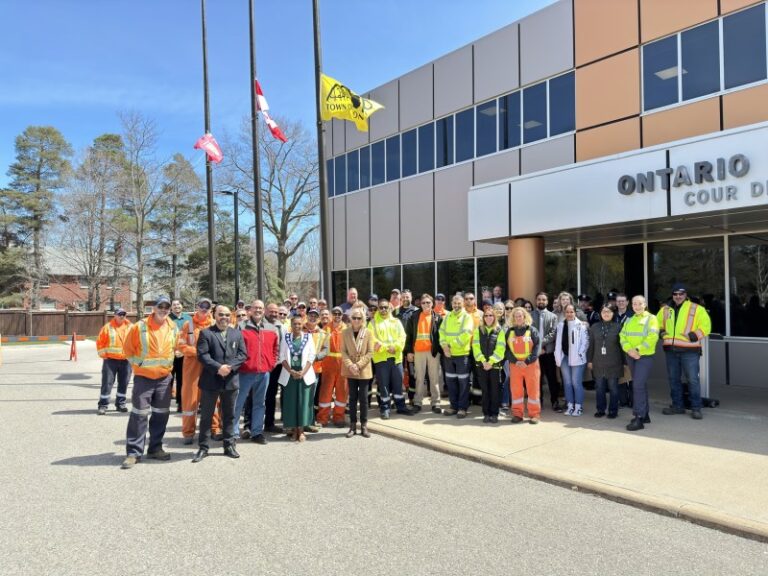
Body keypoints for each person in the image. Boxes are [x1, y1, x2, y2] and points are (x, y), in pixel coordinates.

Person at [121, 296, 179, 469]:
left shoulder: (173, 327)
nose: (163, 309)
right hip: (143, 379)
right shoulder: (140, 327)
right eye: (160, 306)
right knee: (139, 414)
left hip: (164, 379)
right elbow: (127, 349)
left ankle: (155, 448)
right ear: (154, 308)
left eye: (166, 307)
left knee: (161, 414)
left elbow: (176, 348)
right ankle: (133, 452)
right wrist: (138, 365)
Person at [192, 306, 247, 462]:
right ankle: (203, 447)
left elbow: (243, 354)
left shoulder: (236, 333)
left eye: (227, 315)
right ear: (214, 315)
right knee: (207, 417)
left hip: (230, 380)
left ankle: (229, 445)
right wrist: (218, 368)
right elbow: (202, 355)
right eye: (221, 314)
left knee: (229, 415)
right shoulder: (206, 333)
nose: (224, 317)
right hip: (211, 380)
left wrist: (229, 368)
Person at [657, 283, 712, 420]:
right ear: (672, 295)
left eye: (681, 294)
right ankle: (677, 406)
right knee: (674, 379)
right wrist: (661, 332)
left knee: (692, 380)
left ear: (685, 295)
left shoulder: (696, 308)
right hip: (671, 350)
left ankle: (696, 408)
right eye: (675, 294)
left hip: (690, 351)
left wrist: (694, 335)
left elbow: (706, 325)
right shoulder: (665, 310)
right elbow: (655, 324)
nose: (678, 296)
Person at [235, 300, 279, 445]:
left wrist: (271, 364)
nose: (258, 310)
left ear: (264, 310)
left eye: (260, 308)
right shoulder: (241, 326)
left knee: (260, 403)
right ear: (250, 310)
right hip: (245, 372)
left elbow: (275, 349)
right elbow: (235, 349)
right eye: (255, 308)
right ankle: (233, 434)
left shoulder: (272, 328)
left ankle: (257, 432)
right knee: (238, 403)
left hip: (264, 373)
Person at [178, 298, 220, 445]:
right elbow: (181, 345)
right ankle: (188, 432)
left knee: (214, 399)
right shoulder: (187, 324)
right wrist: (199, 353)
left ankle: (215, 429)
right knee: (190, 400)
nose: (204, 308)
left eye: (207, 306)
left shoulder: (215, 323)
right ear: (197, 306)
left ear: (211, 308)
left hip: (211, 366)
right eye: (202, 305)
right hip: (192, 367)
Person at [621, 296, 660, 431]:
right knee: (640, 385)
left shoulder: (652, 318)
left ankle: (638, 418)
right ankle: (645, 414)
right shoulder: (630, 319)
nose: (637, 306)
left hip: (644, 357)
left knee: (637, 385)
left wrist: (637, 349)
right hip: (631, 356)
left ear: (645, 304)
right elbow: (622, 336)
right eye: (634, 304)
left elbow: (653, 336)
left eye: (639, 304)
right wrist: (629, 350)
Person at [370, 299, 412, 418]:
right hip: (381, 359)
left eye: (385, 307)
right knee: (384, 385)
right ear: (378, 309)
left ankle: (401, 407)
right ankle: (385, 408)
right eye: (381, 307)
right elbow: (372, 340)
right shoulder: (373, 323)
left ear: (390, 308)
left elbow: (402, 337)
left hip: (396, 358)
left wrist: (396, 347)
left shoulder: (396, 321)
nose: (383, 310)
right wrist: (387, 348)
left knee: (398, 384)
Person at [278, 316, 317, 442]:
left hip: (304, 375)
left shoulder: (308, 337)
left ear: (302, 324)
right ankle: (294, 430)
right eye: (294, 324)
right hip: (290, 375)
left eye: (299, 324)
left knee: (303, 403)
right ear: (291, 324)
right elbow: (282, 356)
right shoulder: (286, 337)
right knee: (291, 403)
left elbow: (312, 355)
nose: (297, 326)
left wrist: (302, 372)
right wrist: (291, 371)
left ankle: (301, 431)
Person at [404, 293, 443, 414]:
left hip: (433, 352)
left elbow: (441, 336)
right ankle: (417, 402)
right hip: (418, 352)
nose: (426, 305)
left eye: (428, 302)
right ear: (420, 304)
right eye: (423, 303)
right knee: (419, 378)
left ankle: (435, 403)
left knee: (434, 378)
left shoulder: (438, 317)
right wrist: (409, 351)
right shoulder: (414, 316)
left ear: (432, 304)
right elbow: (409, 336)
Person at [438, 293, 474, 418]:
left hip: (461, 355)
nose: (456, 305)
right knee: (451, 381)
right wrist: (444, 346)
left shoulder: (467, 317)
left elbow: (465, 335)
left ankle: (462, 408)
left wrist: (450, 346)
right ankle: (453, 406)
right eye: (454, 303)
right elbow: (441, 332)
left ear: (463, 303)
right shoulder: (448, 316)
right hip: (448, 355)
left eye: (459, 303)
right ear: (452, 304)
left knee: (463, 382)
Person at [341, 305, 374, 438]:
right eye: (354, 317)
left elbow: (370, 352)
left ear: (363, 319)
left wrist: (358, 365)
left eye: (359, 318)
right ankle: (353, 425)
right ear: (350, 318)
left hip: (363, 369)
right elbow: (343, 351)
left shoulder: (368, 333)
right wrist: (351, 365)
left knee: (364, 399)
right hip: (350, 370)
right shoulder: (345, 332)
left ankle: (364, 425)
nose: (356, 320)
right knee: (353, 398)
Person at [506, 307, 541, 424]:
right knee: (516, 390)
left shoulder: (532, 330)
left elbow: (537, 348)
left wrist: (526, 361)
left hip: (530, 365)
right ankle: (517, 414)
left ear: (525, 317)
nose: (518, 318)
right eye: (516, 316)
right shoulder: (509, 332)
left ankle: (534, 414)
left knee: (533, 390)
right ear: (513, 318)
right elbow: (505, 350)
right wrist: (516, 361)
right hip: (515, 365)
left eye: (520, 316)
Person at [587, 305, 624, 419]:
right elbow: (591, 345)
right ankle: (600, 409)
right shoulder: (594, 327)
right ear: (600, 313)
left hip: (614, 362)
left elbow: (622, 346)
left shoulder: (618, 327)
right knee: (599, 387)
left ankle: (613, 411)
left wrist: (625, 362)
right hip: (598, 362)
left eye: (609, 311)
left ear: (613, 313)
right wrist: (589, 360)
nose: (606, 313)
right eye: (604, 311)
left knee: (613, 387)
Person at [471, 306, 506, 423]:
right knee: (485, 391)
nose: (488, 317)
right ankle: (486, 413)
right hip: (482, 366)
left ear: (494, 317)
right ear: (483, 318)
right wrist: (483, 361)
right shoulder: (478, 330)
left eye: (491, 315)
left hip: (494, 366)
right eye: (486, 315)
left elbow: (501, 349)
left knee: (495, 390)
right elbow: (475, 347)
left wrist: (490, 362)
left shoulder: (499, 330)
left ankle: (494, 413)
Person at [554, 304, 589, 417]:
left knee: (576, 383)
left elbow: (585, 342)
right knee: (567, 383)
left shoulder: (581, 326)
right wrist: (558, 356)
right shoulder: (560, 325)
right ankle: (570, 405)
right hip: (564, 357)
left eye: (571, 312)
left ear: (575, 313)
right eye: (567, 312)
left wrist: (579, 353)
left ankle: (578, 406)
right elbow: (558, 343)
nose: (569, 314)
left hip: (577, 359)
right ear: (564, 313)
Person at [96, 308, 132, 415]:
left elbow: (137, 342)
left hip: (126, 360)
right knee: (107, 383)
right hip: (110, 360)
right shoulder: (108, 327)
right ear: (115, 315)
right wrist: (104, 355)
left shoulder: (131, 327)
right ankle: (103, 405)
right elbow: (100, 342)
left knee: (124, 383)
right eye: (119, 314)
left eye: (124, 314)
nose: (122, 316)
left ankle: (120, 404)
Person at [318, 306, 347, 426]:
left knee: (342, 392)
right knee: (325, 392)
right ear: (331, 315)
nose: (337, 315)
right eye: (334, 313)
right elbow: (320, 348)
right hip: (328, 365)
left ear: (342, 315)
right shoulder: (325, 329)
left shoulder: (346, 329)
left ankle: (339, 417)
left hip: (343, 365)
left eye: (339, 313)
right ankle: (322, 418)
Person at [531, 292, 561, 412]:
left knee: (552, 379)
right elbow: (530, 333)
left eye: (543, 300)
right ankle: (539, 401)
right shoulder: (530, 315)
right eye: (539, 299)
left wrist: (541, 345)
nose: (541, 301)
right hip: (535, 354)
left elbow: (553, 334)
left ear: (547, 302)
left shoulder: (553, 317)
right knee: (537, 379)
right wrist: (538, 348)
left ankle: (555, 401)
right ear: (536, 300)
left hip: (548, 353)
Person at [263, 303, 286, 434]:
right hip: (267, 365)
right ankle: (267, 423)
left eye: (276, 312)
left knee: (276, 394)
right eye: (271, 311)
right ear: (266, 311)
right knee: (268, 395)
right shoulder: (262, 325)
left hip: (280, 365)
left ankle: (272, 422)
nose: (274, 314)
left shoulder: (281, 326)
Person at [304, 309, 330, 422]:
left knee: (311, 395)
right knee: (300, 395)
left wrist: (315, 357)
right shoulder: (299, 329)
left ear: (318, 318)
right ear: (307, 316)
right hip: (299, 368)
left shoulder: (323, 333)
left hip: (314, 369)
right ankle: (300, 420)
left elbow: (326, 350)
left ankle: (309, 420)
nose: (313, 317)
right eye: (311, 315)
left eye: (315, 316)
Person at [395, 289, 419, 404]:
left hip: (411, 347)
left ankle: (412, 397)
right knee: (397, 373)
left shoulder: (416, 311)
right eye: (403, 297)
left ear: (411, 297)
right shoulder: (395, 312)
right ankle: (397, 398)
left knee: (412, 373)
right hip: (398, 347)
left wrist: (412, 349)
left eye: (407, 297)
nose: (405, 299)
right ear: (401, 298)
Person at [169, 299, 191, 412]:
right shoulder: (167, 319)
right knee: (168, 379)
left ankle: (181, 403)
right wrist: (173, 351)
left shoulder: (188, 319)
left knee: (182, 380)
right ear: (171, 307)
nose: (176, 306)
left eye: (178, 304)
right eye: (174, 305)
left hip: (184, 355)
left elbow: (191, 337)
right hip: (170, 354)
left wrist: (183, 351)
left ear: (182, 306)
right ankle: (164, 403)